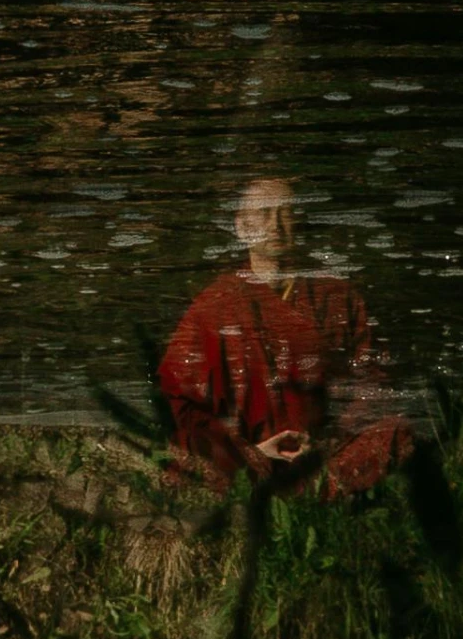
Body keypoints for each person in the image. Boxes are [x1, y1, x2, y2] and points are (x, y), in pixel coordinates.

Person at [157, 176, 411, 494]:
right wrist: (253, 451)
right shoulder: (212, 307)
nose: (275, 226)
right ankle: (306, 493)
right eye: (263, 214)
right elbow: (181, 400)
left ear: (299, 221)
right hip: (250, 453)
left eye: (285, 213)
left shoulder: (336, 296)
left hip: (322, 449)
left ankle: (301, 489)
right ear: (241, 226)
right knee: (189, 449)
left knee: (394, 432)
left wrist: (328, 441)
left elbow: (372, 383)